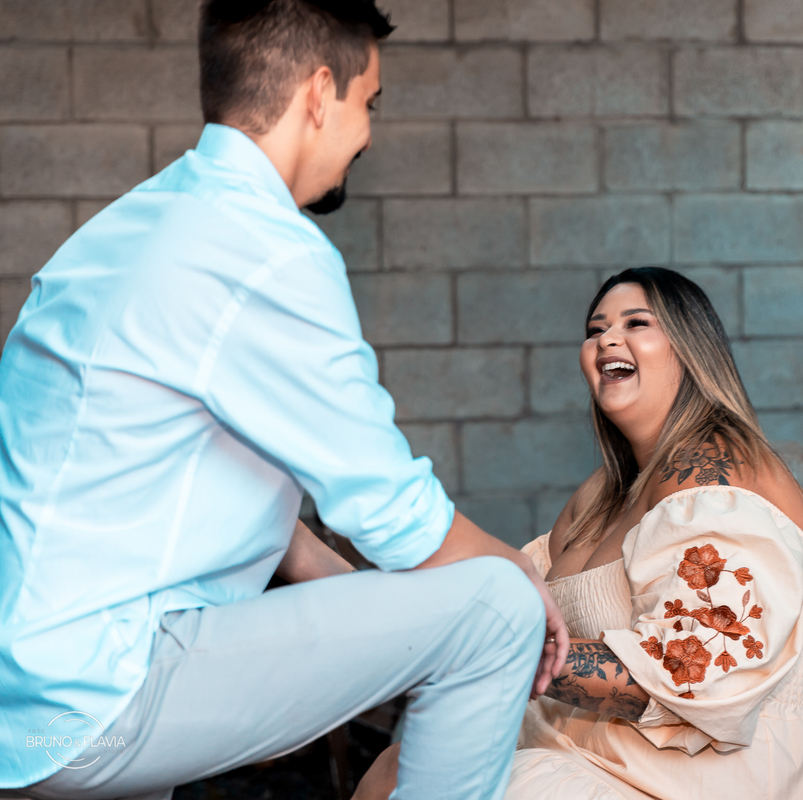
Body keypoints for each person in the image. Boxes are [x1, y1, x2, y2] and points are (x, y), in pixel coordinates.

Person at [0, 2, 566, 799]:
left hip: (29, 695)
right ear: (319, 92)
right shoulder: (266, 249)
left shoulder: (125, 230)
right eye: (369, 103)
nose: (367, 135)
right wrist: (524, 581)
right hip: (101, 692)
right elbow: (396, 515)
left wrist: (375, 617)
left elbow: (228, 493)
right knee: (496, 607)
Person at [506, 268, 803, 798]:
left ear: (691, 350)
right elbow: (524, 596)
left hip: (738, 775)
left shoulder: (715, 474)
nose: (607, 339)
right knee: (416, 765)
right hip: (620, 756)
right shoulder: (605, 490)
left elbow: (694, 668)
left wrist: (511, 655)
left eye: (636, 323)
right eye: (595, 330)